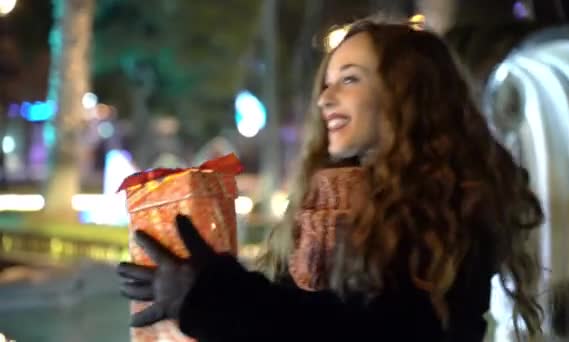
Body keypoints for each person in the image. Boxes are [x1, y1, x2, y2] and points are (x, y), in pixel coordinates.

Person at [117, 16, 545, 341]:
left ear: (408, 93)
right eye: (326, 83)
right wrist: (192, 290)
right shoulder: (327, 203)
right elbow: (300, 311)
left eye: (350, 79)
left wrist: (216, 295)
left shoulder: (452, 205)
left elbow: (372, 328)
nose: (325, 98)